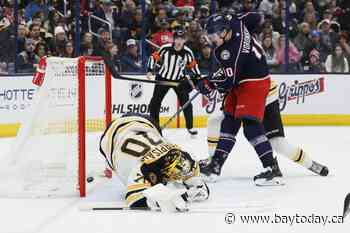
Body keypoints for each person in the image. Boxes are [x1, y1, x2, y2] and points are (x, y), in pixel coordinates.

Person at [196, 13, 284, 186]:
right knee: (229, 121)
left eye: (214, 35)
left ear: (223, 32)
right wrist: (208, 81)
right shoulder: (235, 21)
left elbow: (228, 82)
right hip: (245, 75)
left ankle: (272, 169)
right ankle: (216, 165)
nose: (212, 39)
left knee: (250, 127)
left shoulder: (231, 52)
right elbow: (256, 17)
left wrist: (208, 84)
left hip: (254, 81)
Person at [201, 81, 329, 181]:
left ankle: (311, 164)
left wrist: (212, 82)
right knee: (215, 120)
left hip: (263, 94)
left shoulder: (239, 50)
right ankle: (213, 161)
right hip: (242, 95)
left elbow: (233, 74)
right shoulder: (224, 52)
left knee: (277, 143)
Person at [99, 114, 209, 211]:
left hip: (144, 122)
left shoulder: (182, 155)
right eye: (176, 171)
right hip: (110, 139)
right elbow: (134, 199)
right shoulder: (143, 168)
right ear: (164, 169)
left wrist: (192, 190)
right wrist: (163, 201)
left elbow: (199, 184)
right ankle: (108, 165)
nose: (181, 172)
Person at [147, 27, 201, 136]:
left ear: (184, 40)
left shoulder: (188, 52)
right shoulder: (165, 48)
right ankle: (154, 125)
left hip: (179, 81)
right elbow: (153, 57)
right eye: (177, 38)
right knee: (155, 103)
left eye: (181, 39)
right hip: (163, 79)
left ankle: (190, 127)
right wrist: (149, 71)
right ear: (174, 39)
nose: (179, 41)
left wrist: (198, 79)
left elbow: (193, 66)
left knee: (187, 104)